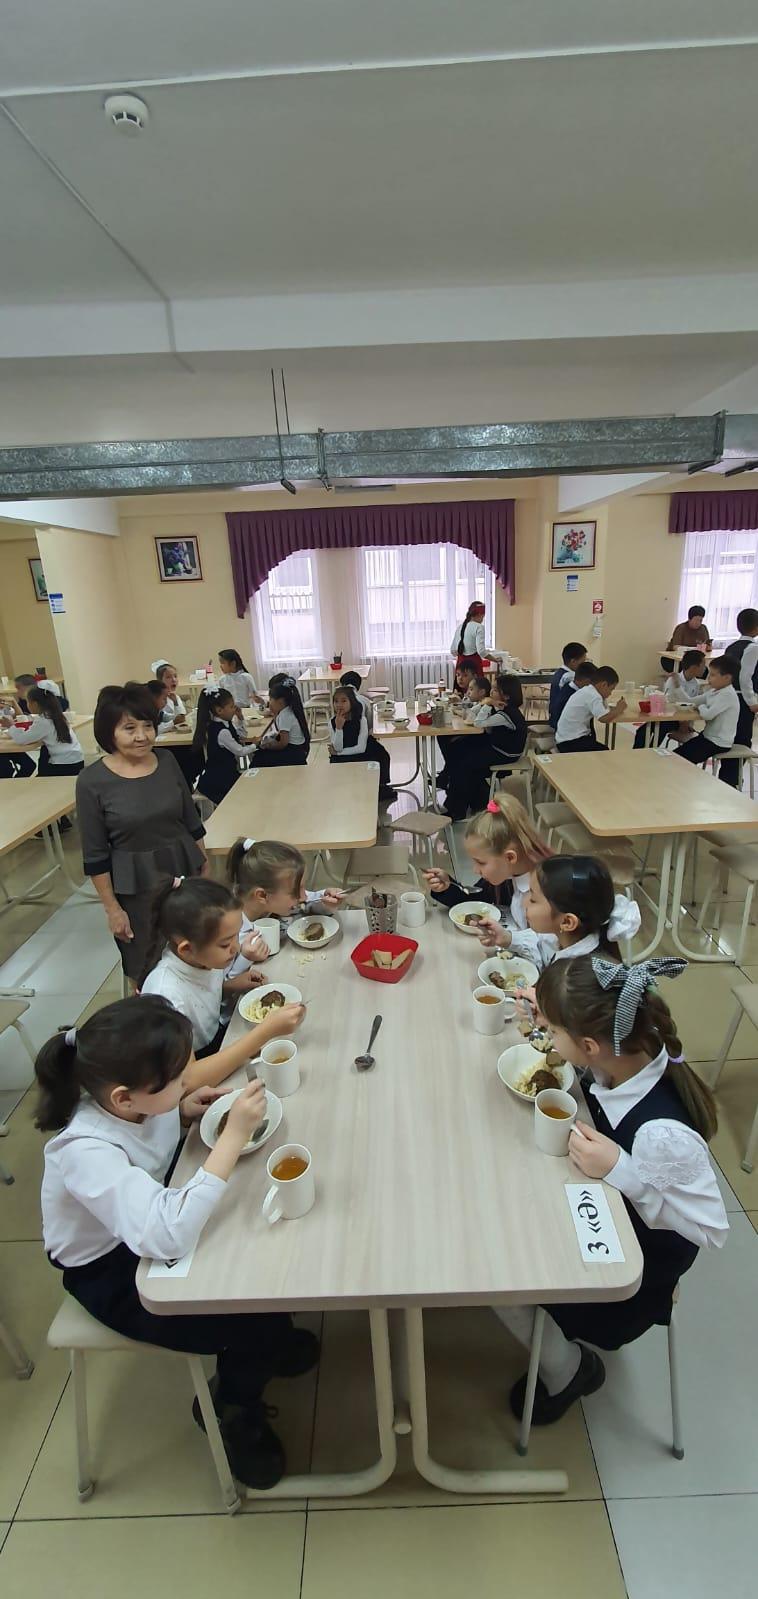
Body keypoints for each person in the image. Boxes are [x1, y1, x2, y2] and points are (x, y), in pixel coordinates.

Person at [37, 996, 319, 1489]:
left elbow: (152, 1137)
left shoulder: (128, 1104)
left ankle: (270, 1341)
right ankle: (234, 1408)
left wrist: (182, 1112)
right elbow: (166, 1235)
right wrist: (232, 1136)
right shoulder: (84, 1152)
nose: (189, 1077)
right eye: (177, 1079)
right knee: (249, 1305)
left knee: (261, 1260)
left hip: (146, 1220)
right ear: (124, 1098)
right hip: (111, 1272)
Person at [493, 955, 727, 1424]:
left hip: (630, 1278)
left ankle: (568, 1371)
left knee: (499, 1274)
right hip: (598, 1206)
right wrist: (546, 1013)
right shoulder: (624, 1051)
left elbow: (711, 1230)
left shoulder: (661, 1135)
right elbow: (581, 1051)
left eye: (554, 1033)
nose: (549, 1038)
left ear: (588, 1045)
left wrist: (623, 1170)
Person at [75, 683, 208, 984]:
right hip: (136, 885)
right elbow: (95, 854)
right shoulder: (91, 781)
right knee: (147, 961)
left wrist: (203, 861)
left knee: (195, 945)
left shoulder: (167, 760)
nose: (142, 736)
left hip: (183, 866)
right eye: (129, 728)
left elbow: (190, 817)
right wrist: (112, 909)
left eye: (148, 725)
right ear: (108, 732)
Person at [140, 877, 304, 1078]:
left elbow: (200, 995)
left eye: (236, 936)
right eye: (226, 944)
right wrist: (265, 1032)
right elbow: (187, 1081)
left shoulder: (202, 958)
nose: (236, 948)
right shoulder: (166, 995)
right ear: (187, 949)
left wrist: (230, 985)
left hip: (218, 1038)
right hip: (197, 1067)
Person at [476, 853, 641, 971]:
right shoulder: (565, 935)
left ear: (567, 922)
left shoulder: (577, 978)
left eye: (533, 899)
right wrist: (507, 938)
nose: (525, 902)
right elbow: (542, 945)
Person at [423, 793, 551, 933]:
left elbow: (547, 942)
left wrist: (509, 939)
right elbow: (476, 899)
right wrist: (447, 887)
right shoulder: (506, 875)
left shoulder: (547, 893)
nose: (475, 870)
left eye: (481, 862)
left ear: (510, 857)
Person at [444, 674, 528, 822]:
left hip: (506, 753)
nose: (491, 692)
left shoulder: (507, 713)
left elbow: (478, 722)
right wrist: (485, 703)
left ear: (506, 696)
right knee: (458, 749)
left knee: (463, 763)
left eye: (495, 690)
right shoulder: (500, 706)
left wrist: (487, 704)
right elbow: (472, 714)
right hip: (497, 746)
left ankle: (457, 810)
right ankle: (474, 800)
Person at [672, 655, 740, 779]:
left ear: (727, 678)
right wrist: (677, 686)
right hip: (707, 737)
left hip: (717, 742)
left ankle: (681, 782)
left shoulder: (727, 695)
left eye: (713, 675)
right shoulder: (714, 691)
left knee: (680, 760)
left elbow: (708, 715)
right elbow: (690, 701)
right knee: (675, 756)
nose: (708, 678)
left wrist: (702, 706)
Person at [0, 684, 84, 777]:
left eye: (28, 702)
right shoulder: (55, 714)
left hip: (64, 765)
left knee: (32, 766)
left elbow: (22, 739)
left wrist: (11, 726)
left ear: (35, 704)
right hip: (75, 760)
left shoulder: (43, 721)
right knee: (36, 760)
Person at [633, 649, 706, 750]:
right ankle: (639, 753)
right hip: (670, 716)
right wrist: (682, 722)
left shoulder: (696, 684)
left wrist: (686, 722)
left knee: (661, 728)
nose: (705, 668)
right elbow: (669, 702)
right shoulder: (673, 679)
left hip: (679, 719)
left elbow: (691, 704)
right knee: (643, 731)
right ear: (694, 667)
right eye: (703, 665)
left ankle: (650, 751)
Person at [338, 671, 396, 798]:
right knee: (383, 756)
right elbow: (370, 725)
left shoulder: (337, 701)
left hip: (342, 741)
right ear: (358, 686)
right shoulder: (364, 700)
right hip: (360, 741)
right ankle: (381, 788)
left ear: (342, 684)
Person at [194, 686, 248, 806]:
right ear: (219, 710)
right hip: (218, 779)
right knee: (241, 797)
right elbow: (240, 751)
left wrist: (240, 718)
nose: (235, 708)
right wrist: (256, 745)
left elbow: (241, 736)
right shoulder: (221, 731)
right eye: (232, 706)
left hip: (227, 772)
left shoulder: (225, 723)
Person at [722, 608, 758, 785]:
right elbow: (745, 677)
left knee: (731, 738)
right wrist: (752, 701)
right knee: (742, 740)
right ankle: (732, 779)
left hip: (728, 697)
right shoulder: (753, 648)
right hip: (742, 700)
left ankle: (729, 777)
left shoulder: (731, 647)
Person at [555, 665, 626, 753]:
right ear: (603, 685)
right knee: (605, 752)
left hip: (564, 738)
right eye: (611, 689)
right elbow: (603, 718)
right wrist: (619, 709)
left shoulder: (587, 690)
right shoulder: (593, 695)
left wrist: (609, 704)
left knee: (599, 747)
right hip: (571, 742)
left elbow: (604, 710)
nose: (610, 693)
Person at [249, 677, 310, 768]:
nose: (269, 702)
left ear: (280, 701)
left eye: (270, 699)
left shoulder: (285, 716)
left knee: (259, 757)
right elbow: (281, 733)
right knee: (261, 753)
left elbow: (282, 743)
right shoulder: (287, 710)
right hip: (297, 751)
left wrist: (269, 746)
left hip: (293, 754)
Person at [450, 601, 503, 675]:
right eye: (483, 617)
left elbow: (453, 651)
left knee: (461, 682)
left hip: (460, 666)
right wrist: (495, 660)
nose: (482, 620)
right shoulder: (479, 627)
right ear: (479, 614)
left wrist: (464, 653)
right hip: (473, 666)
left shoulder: (460, 627)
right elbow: (481, 651)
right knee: (475, 683)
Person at [549, 643, 587, 729]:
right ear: (573, 661)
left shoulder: (559, 672)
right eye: (583, 662)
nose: (584, 666)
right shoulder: (570, 677)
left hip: (554, 717)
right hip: (563, 721)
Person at [150, 661, 187, 726]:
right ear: (160, 680)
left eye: (175, 676)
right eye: (168, 677)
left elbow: (180, 718)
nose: (174, 680)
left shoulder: (175, 697)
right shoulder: (155, 698)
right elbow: (157, 725)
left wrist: (175, 703)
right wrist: (173, 722)